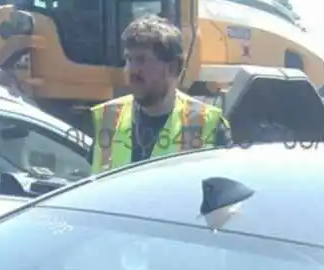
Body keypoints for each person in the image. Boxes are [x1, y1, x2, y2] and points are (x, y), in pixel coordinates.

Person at [89, 15, 230, 173]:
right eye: (128, 59)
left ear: (172, 68)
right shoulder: (108, 118)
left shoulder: (207, 125)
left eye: (142, 60)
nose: (132, 70)